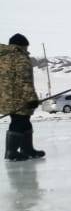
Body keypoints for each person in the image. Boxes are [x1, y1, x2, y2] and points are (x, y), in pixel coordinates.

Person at [1, 33, 44, 161]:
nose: (27, 49)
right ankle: (11, 152)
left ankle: (27, 149)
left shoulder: (3, 57)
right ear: (23, 46)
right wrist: (31, 98)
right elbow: (24, 80)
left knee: (24, 122)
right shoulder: (20, 58)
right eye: (26, 46)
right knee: (19, 122)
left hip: (6, 97)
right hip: (19, 99)